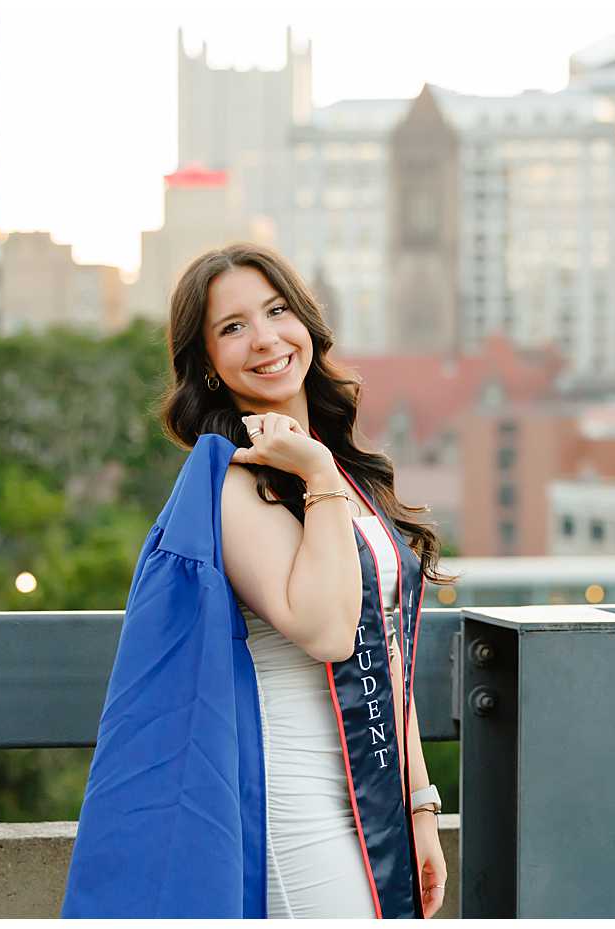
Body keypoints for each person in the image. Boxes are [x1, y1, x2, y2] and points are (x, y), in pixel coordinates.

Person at [63, 242, 449, 917]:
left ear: (307, 322)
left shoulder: (346, 474)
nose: (265, 338)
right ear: (208, 365)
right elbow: (328, 630)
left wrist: (420, 805)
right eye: (233, 326)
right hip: (287, 792)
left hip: (373, 792)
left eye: (277, 310)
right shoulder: (235, 485)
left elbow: (387, 648)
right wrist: (319, 475)